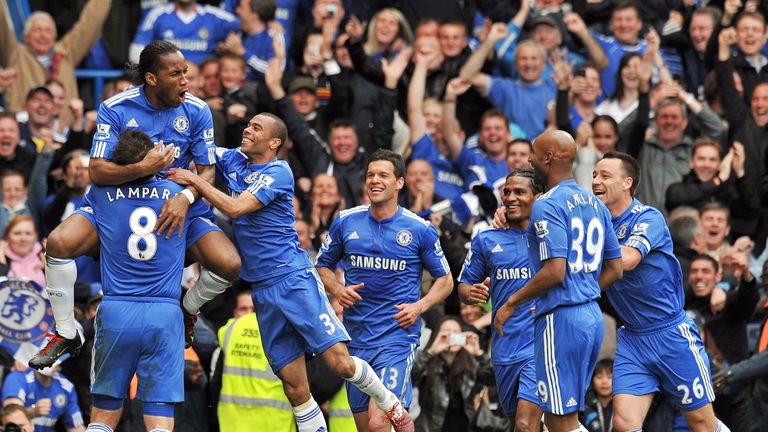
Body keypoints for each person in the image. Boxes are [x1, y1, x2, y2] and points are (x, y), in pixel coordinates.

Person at [166, 113, 415, 432]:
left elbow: (235, 209)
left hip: (294, 279)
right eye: (248, 124)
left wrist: (194, 182)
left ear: (274, 143)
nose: (247, 129)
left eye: (257, 128)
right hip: (263, 290)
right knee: (295, 389)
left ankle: (390, 404)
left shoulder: (279, 171)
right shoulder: (232, 160)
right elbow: (199, 149)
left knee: (339, 363)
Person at [29, 40, 241, 369]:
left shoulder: (197, 110)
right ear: (152, 79)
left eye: (186, 71)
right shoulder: (115, 107)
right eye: (176, 74)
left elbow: (207, 170)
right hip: (117, 202)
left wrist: (185, 198)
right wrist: (145, 168)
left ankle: (187, 309)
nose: (186, 80)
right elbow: (96, 170)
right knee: (58, 244)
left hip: (179, 206)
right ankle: (66, 331)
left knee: (228, 264)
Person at [69, 129, 214, 432]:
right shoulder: (177, 195)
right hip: (165, 312)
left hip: (117, 309)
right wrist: (190, 184)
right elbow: (206, 216)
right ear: (152, 158)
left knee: (104, 410)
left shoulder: (99, 194)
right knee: (160, 414)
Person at [493, 130, 623, 432]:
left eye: (534, 155)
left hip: (561, 319)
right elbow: (615, 268)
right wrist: (584, 291)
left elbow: (555, 270)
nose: (529, 160)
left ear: (548, 158)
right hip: (592, 318)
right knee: (560, 418)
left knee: (559, 420)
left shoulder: (547, 204)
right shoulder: (595, 205)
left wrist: (511, 303)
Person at [315, 149, 453, 431]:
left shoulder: (419, 229)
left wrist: (419, 307)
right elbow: (321, 267)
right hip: (356, 339)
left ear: (399, 182)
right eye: (370, 175)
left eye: (383, 175)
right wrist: (338, 289)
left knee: (380, 422)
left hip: (396, 340)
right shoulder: (345, 221)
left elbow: (446, 280)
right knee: (366, 428)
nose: (375, 180)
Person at [591, 151, 728, 431]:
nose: (595, 181)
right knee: (624, 423)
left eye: (605, 176)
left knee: (702, 425)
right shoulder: (594, 222)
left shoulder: (648, 217)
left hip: (670, 333)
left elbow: (627, 260)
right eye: (593, 175)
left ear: (627, 182)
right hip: (632, 337)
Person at [458, 169, 542, 432]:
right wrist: (470, 294)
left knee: (525, 425)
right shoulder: (486, 238)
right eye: (507, 191)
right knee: (518, 421)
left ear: (537, 197)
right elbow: (463, 286)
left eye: (520, 192)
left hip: (540, 345)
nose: (511, 197)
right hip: (504, 349)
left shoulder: (550, 235)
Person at [2, 364, 85, 432]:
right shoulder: (18, 377)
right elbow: (11, 418)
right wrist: (33, 411)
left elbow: (76, 427)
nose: (53, 360)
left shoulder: (66, 387)